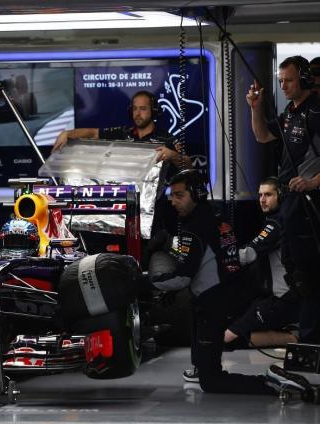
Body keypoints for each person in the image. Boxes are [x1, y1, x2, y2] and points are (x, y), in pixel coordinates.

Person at [148, 170, 275, 395]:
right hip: (225, 294)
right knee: (202, 352)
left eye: (179, 195)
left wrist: (144, 283)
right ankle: (203, 367)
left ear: (197, 194)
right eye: (171, 196)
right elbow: (209, 261)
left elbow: (182, 277)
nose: (173, 201)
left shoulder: (194, 228)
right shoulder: (216, 217)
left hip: (214, 302)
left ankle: (270, 384)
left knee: (211, 382)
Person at [247, 55, 320, 343]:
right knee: (295, 272)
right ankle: (305, 337)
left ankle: (310, 341)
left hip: (309, 203)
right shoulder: (290, 111)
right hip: (290, 204)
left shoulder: (316, 110)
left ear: (305, 79)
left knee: (308, 275)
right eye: (281, 81)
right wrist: (255, 107)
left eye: (289, 80)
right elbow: (263, 136)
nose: (284, 86)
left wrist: (313, 182)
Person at [52, 90, 190, 235]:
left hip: (153, 212)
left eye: (143, 109)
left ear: (154, 111)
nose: (138, 113)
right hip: (122, 212)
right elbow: (93, 133)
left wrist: (172, 155)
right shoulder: (123, 133)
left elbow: (189, 166)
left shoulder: (166, 139)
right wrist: (67, 133)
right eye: (135, 109)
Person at [224, 177, 299, 348]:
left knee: (228, 339)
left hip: (284, 299)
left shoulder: (275, 224)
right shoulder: (287, 218)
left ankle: (297, 338)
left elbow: (249, 253)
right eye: (260, 195)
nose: (262, 200)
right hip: (286, 297)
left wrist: (220, 259)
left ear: (281, 196)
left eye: (268, 195)